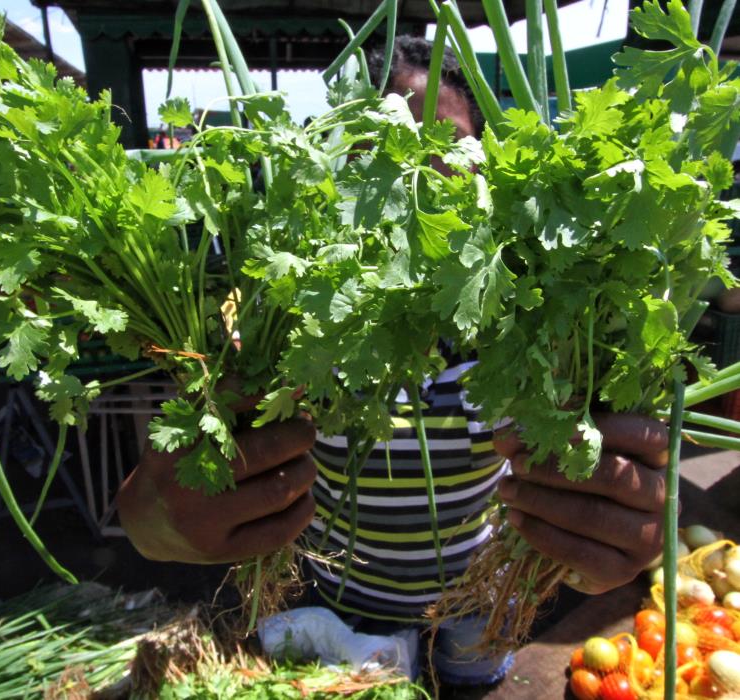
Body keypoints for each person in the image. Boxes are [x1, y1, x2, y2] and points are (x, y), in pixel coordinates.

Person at [116, 36, 668, 685]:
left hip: (480, 602)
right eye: (375, 153)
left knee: (476, 681)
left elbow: (578, 477)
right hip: (336, 601)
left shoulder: (530, 314)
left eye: (442, 150)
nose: (414, 182)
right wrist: (153, 523)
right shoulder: (287, 314)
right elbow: (174, 489)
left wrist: (596, 535)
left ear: (487, 167)